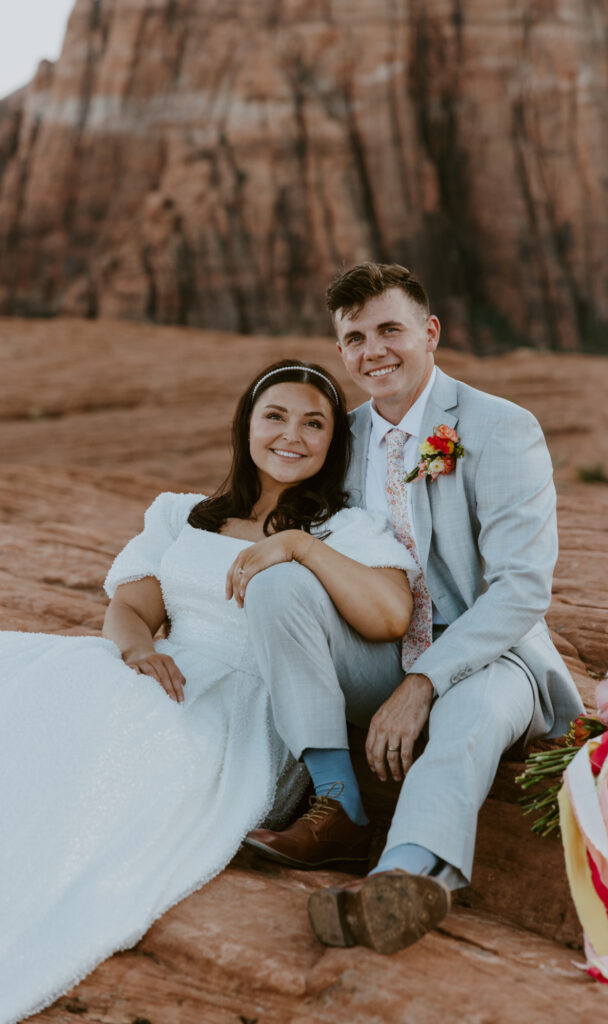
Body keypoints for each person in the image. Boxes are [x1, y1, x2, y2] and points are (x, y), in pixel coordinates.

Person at [0, 359, 416, 1024]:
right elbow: (131, 608)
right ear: (246, 425)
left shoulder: (346, 528)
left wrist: (303, 550)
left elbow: (390, 617)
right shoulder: (180, 514)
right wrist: (137, 650)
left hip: (246, 703)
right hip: (158, 668)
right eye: (275, 416)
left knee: (136, 768)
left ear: (333, 442)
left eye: (314, 424)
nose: (292, 435)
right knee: (42, 707)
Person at [244, 264, 585, 954]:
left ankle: (401, 878)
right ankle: (337, 807)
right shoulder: (338, 438)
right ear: (340, 352)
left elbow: (520, 589)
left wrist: (425, 682)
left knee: (469, 716)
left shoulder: (500, 428)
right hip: (377, 648)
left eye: (389, 329)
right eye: (355, 337)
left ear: (428, 333)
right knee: (279, 583)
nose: (374, 350)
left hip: (490, 655)